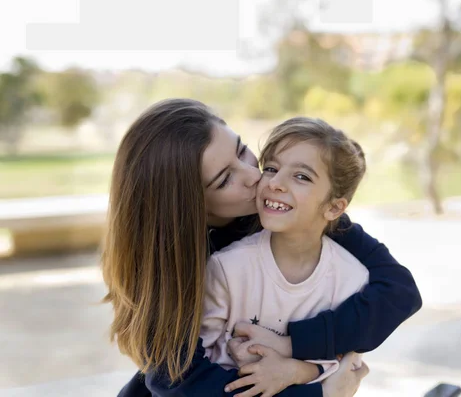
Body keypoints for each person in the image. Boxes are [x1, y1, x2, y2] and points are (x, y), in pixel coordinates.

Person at [102, 99, 422, 397]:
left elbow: (398, 292)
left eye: (242, 152)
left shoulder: (291, 218)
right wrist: (318, 394)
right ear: (187, 206)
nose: (256, 177)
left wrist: (294, 345)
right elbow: (185, 385)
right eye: (226, 179)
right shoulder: (166, 267)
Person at [201, 117, 378, 397]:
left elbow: (347, 365)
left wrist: (296, 370)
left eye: (301, 176)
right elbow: (202, 352)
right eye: (271, 168)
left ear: (334, 208)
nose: (275, 183)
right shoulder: (225, 268)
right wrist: (241, 357)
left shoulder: (352, 279)